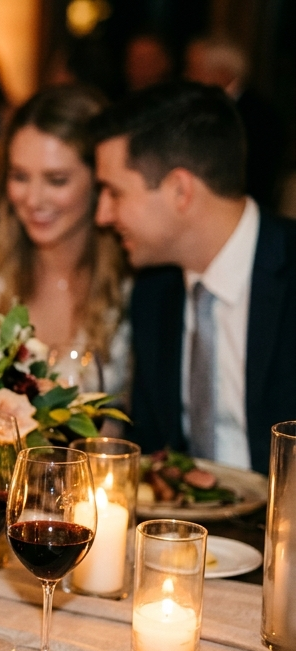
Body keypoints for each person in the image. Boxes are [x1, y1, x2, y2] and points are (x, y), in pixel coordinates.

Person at [93, 81, 296, 473]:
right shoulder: (154, 293)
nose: (102, 215)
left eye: (114, 193)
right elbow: (154, 446)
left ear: (180, 191)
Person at [0, 85, 131, 398]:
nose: (33, 199)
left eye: (56, 180)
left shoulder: (132, 275)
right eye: (20, 177)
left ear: (99, 182)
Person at [185, 36, 287, 209]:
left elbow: (254, 179)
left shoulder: (260, 116)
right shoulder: (207, 107)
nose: (188, 76)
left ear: (222, 73)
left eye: (196, 70)